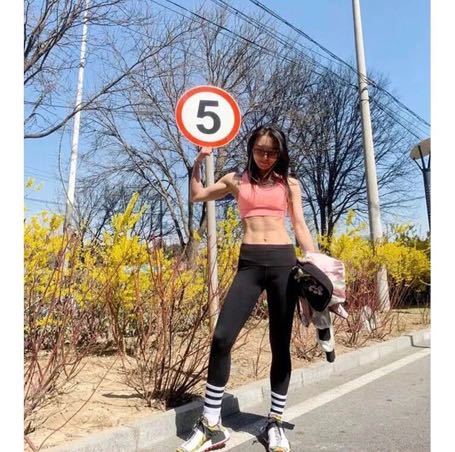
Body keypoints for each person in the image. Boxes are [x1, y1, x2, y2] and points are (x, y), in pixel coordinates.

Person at [177, 125, 316, 452]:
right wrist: (198, 162)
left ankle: (275, 422)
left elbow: (299, 225)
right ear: (251, 149)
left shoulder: (289, 184)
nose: (266, 157)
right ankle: (211, 425)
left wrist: (314, 262)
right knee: (222, 337)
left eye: (272, 152)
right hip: (250, 263)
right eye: (260, 150)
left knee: (280, 344)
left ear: (280, 153)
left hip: (283, 262)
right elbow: (197, 195)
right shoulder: (235, 180)